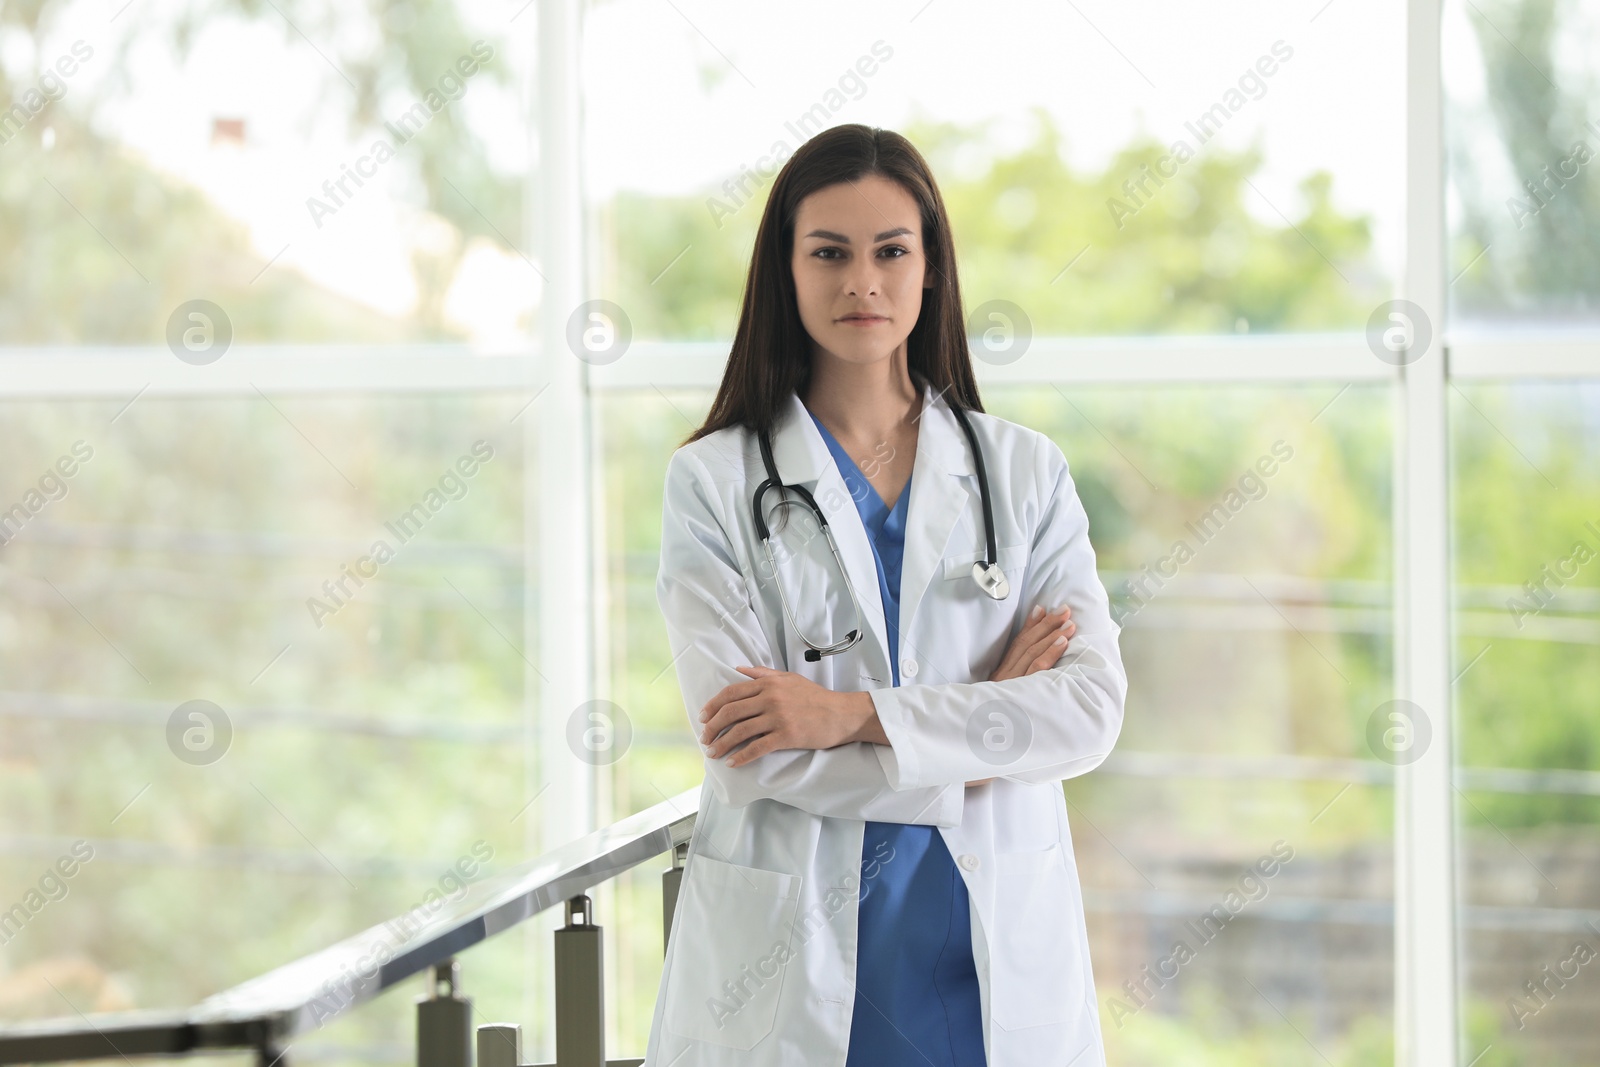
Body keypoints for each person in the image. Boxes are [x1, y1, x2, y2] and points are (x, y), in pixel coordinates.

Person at [642, 123, 1127, 1067]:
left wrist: (843, 714)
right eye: (828, 253)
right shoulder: (712, 482)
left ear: (931, 267)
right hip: (787, 983)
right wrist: (986, 741)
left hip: (984, 975)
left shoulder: (1023, 473)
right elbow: (749, 750)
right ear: (785, 271)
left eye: (890, 251)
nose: (861, 281)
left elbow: (1089, 713)